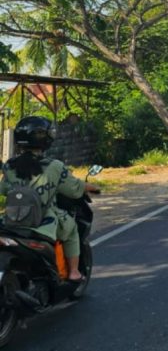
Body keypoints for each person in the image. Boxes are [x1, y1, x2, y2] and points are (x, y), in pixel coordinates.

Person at [0, 116, 98, 282]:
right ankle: (74, 272)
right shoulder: (54, 166)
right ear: (46, 139)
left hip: (12, 218)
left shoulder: (10, 165)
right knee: (72, 229)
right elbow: (74, 189)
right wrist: (93, 187)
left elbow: (3, 189)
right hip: (44, 219)